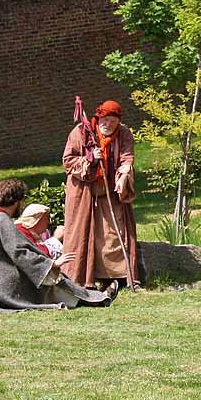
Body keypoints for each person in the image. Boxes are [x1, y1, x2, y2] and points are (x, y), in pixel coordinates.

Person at [0, 179, 113, 313]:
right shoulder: (2, 222)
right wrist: (51, 264)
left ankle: (90, 296)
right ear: (17, 201)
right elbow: (21, 253)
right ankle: (96, 298)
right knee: (47, 279)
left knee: (42, 274)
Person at [62, 99, 141, 290]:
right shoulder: (81, 132)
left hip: (110, 193)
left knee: (113, 234)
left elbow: (127, 158)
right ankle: (83, 278)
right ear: (99, 118)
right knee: (84, 235)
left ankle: (117, 276)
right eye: (105, 121)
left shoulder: (124, 134)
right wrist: (90, 159)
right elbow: (68, 161)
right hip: (85, 193)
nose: (108, 125)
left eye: (113, 122)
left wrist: (123, 178)